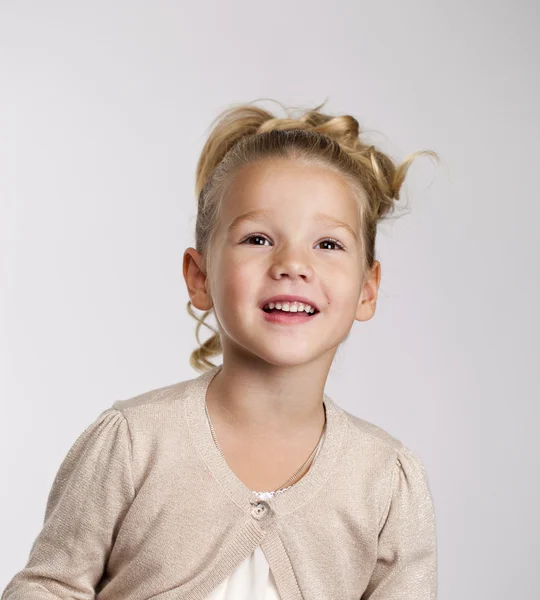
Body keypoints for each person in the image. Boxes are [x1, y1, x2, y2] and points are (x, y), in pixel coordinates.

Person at [1, 99, 440, 600]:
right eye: (257, 238)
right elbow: (48, 586)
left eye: (328, 244)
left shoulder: (385, 478)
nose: (292, 264)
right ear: (199, 277)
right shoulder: (132, 443)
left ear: (367, 289)